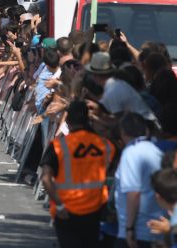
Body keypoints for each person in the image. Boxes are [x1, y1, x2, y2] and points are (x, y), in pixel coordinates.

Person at [41, 101, 116, 248]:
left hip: (66, 211)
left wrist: (60, 205)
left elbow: (46, 178)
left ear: (68, 120)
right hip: (94, 210)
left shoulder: (59, 146)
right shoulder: (105, 145)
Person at [115, 112, 165, 248]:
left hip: (138, 229)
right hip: (155, 226)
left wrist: (129, 228)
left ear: (122, 132)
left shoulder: (131, 153)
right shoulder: (157, 151)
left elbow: (133, 193)